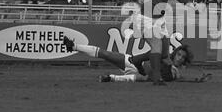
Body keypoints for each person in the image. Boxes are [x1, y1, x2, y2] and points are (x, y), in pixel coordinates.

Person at [125, 0, 192, 85]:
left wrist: (189, 3)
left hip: (160, 20)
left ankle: (137, 60)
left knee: (164, 54)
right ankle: (157, 79)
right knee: (156, 44)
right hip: (145, 19)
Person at [62, 36, 210, 83]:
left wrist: (197, 80)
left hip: (141, 74)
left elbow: (181, 79)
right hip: (132, 62)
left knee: (141, 78)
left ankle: (110, 78)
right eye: (179, 54)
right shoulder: (165, 58)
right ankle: (73, 46)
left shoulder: (175, 72)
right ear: (175, 53)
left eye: (182, 58)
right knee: (106, 54)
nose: (179, 58)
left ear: (184, 61)